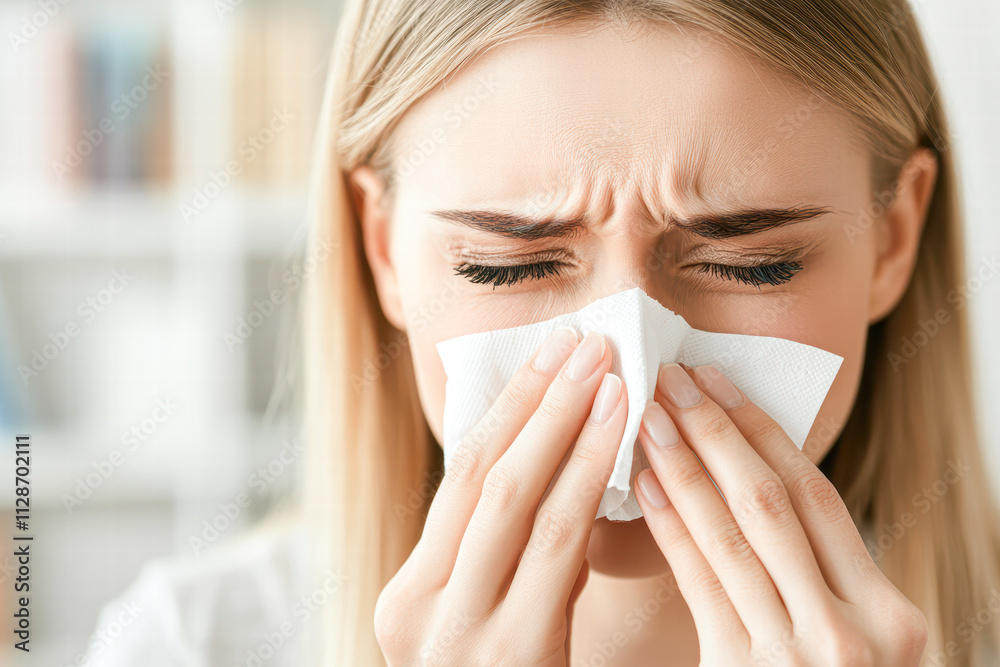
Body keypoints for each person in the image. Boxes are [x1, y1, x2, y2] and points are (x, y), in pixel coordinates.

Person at [82, 0, 1000, 665]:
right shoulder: (185, 645)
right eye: (506, 265)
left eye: (751, 264)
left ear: (893, 237)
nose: (629, 380)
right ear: (384, 249)